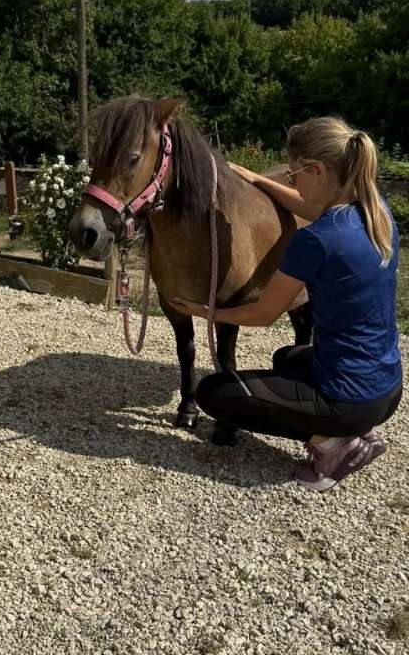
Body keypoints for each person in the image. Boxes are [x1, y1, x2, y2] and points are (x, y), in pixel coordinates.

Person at [170, 116, 403, 492]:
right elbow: (309, 206)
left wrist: (203, 311)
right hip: (387, 389)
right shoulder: (375, 211)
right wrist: (260, 179)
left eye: (294, 175)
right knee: (286, 358)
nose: (292, 182)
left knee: (214, 394)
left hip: (349, 401)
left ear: (317, 170)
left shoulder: (317, 240)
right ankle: (352, 430)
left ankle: (334, 445)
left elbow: (262, 315)